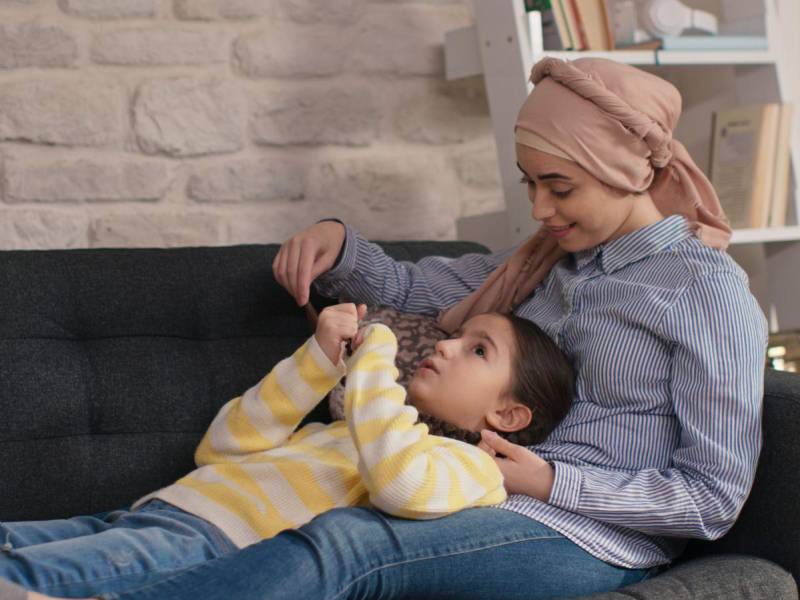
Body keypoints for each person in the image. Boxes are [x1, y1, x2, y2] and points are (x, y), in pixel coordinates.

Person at [17, 55, 768, 600]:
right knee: (261, 515)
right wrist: (338, 242)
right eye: (530, 183)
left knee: (349, 543)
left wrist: (549, 477)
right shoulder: (542, 264)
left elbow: (711, 497)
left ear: (625, 172)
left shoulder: (704, 292)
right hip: (482, 494)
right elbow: (412, 286)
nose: (539, 209)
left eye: (559, 186)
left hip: (595, 537)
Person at [0, 301, 574, 600]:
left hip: (211, 544)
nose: (447, 347)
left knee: (31, 576)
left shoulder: (470, 467)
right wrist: (317, 363)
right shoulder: (346, 425)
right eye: (457, 335)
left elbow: (400, 484)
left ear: (508, 415)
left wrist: (377, 358)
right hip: (154, 512)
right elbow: (222, 447)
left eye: (478, 351)